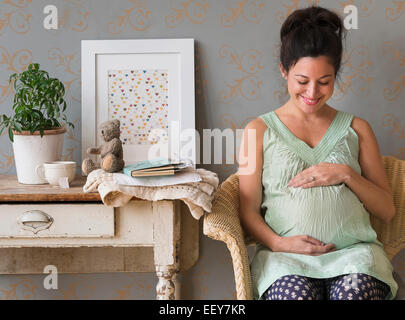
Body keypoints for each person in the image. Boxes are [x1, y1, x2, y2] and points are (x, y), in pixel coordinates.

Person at [238, 6, 398, 300]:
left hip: (354, 259)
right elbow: (247, 211)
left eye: (325, 82)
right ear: (284, 71)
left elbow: (386, 209)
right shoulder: (257, 131)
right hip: (286, 261)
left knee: (356, 294)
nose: (312, 92)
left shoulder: (358, 128)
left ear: (335, 75)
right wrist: (279, 243)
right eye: (302, 81)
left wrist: (346, 174)